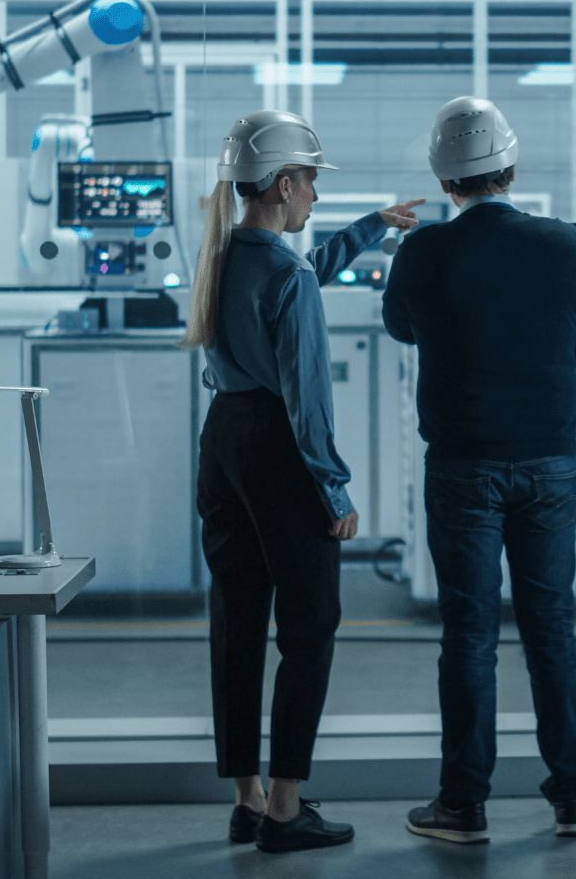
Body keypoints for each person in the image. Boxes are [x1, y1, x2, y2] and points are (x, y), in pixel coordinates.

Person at [381, 96, 576, 844]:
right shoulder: (570, 250)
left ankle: (464, 806)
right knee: (552, 628)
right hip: (550, 465)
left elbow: (399, 326)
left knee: (470, 634)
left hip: (463, 468)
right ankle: (573, 799)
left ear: (445, 178)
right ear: (510, 169)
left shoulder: (419, 252)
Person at [183, 109, 423, 854]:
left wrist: (368, 227)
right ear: (285, 184)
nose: (315, 197)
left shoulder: (223, 256)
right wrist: (335, 491)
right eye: (313, 183)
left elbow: (302, 270)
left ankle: (247, 797)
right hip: (279, 450)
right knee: (311, 625)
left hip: (222, 440)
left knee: (238, 620)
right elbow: (306, 398)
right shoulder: (283, 274)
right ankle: (288, 808)